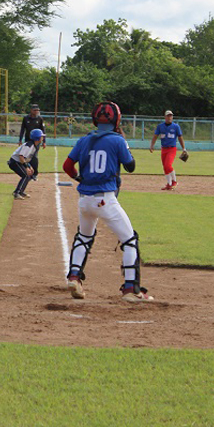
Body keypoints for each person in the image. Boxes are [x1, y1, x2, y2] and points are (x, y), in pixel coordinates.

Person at [62, 101, 153, 303]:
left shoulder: (84, 140)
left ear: (95, 119)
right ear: (117, 119)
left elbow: (67, 165)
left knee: (84, 237)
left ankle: (74, 276)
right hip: (105, 199)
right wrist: (124, 143)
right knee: (130, 240)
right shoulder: (117, 140)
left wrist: (79, 178)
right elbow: (131, 166)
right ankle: (131, 289)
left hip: (84, 200)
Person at [149, 110, 186, 190]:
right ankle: (169, 184)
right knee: (165, 167)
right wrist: (152, 145)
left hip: (172, 148)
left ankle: (174, 181)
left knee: (168, 165)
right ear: (165, 117)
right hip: (164, 149)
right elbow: (155, 136)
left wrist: (184, 148)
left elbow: (180, 137)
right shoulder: (160, 126)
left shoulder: (176, 126)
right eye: (168, 116)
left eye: (171, 116)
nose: (169, 117)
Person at [7, 128, 44, 200]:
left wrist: (30, 166)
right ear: (37, 138)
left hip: (19, 162)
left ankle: (20, 191)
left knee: (29, 175)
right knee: (25, 175)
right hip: (14, 162)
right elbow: (21, 157)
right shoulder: (29, 145)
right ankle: (16, 193)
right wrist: (26, 167)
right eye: (41, 136)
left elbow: (26, 158)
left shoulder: (34, 146)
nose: (42, 138)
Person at [18, 104, 46, 180]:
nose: (37, 111)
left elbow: (43, 130)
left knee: (34, 157)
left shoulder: (40, 119)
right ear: (31, 110)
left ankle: (35, 174)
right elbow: (22, 129)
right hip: (28, 140)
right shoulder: (26, 118)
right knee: (26, 156)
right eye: (35, 110)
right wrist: (20, 139)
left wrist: (44, 141)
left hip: (37, 141)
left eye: (38, 110)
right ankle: (28, 172)